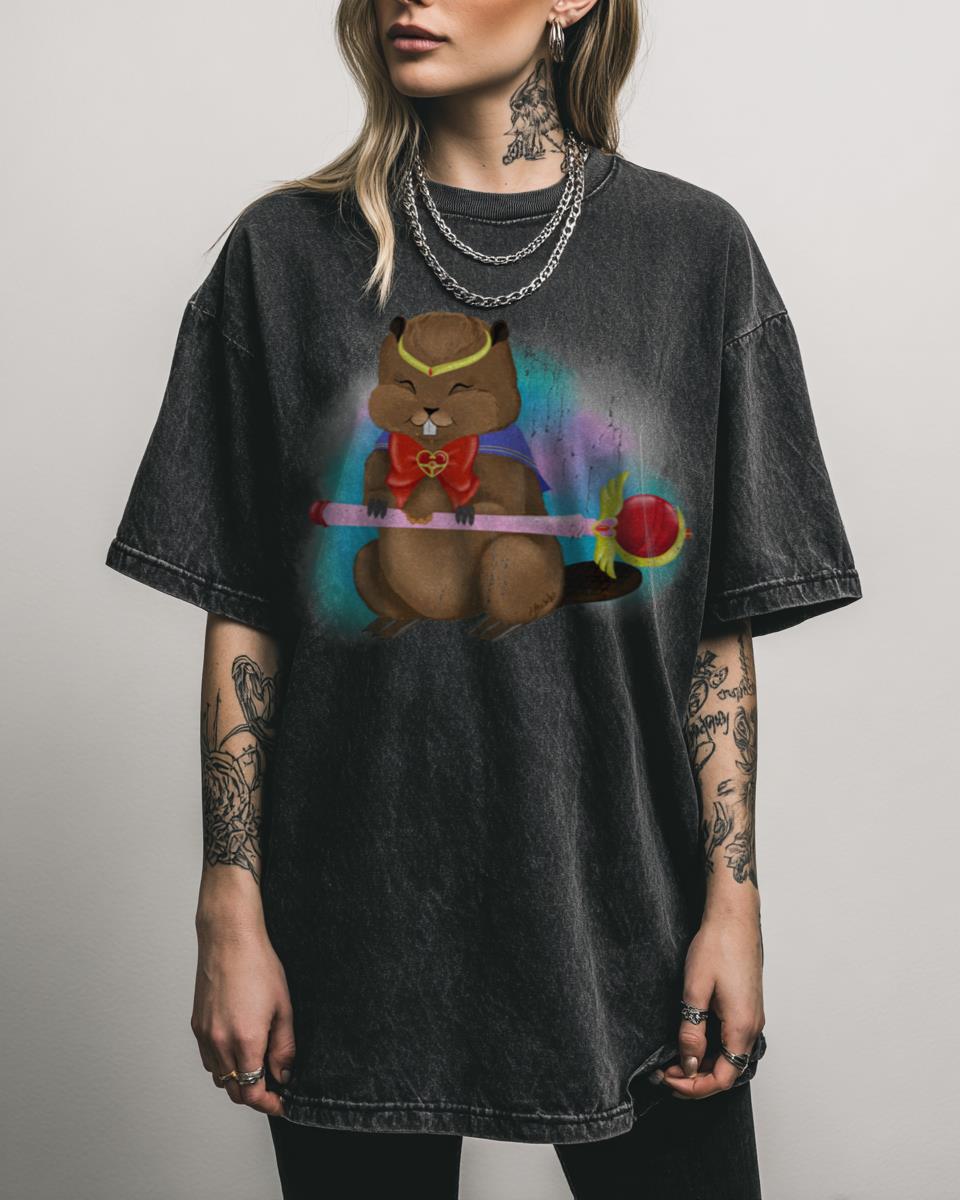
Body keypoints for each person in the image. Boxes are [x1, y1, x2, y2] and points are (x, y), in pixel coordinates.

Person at [104, 0, 863, 1196]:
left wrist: (734, 903)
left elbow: (715, 635)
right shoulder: (282, 255)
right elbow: (243, 611)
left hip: (631, 923)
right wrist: (229, 905)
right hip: (349, 930)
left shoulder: (695, 254)